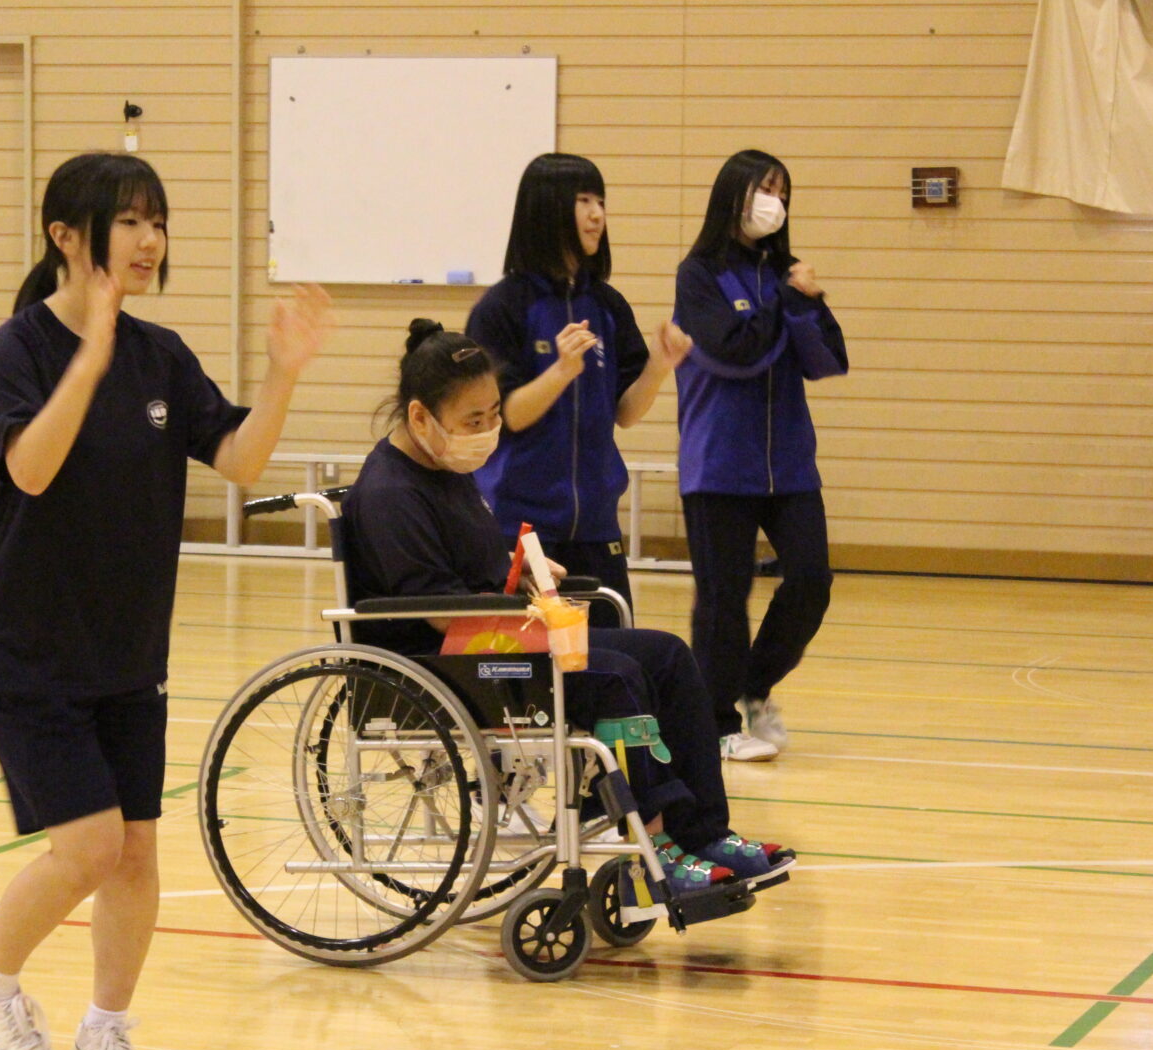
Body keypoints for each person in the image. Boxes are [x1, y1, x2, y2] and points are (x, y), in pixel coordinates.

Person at [0, 152, 331, 1050]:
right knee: (88, 848)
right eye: (129, 221)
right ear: (67, 237)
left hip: (127, 646)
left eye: (158, 220)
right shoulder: (20, 351)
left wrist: (281, 375)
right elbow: (29, 470)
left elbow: (238, 460)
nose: (151, 240)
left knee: (138, 852)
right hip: (25, 644)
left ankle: (106, 1033)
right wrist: (90, 358)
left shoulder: (164, 356)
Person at [343, 319, 793, 896]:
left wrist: (520, 568)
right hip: (450, 663)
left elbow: (468, 568)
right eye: (472, 421)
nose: (487, 431)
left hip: (496, 643)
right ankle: (652, 850)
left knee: (669, 655)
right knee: (618, 674)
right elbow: (435, 610)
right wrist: (519, 603)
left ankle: (703, 831)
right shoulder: (389, 493)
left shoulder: (444, 469)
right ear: (420, 417)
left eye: (493, 415)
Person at [465, 153, 692, 626]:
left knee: (612, 659)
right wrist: (561, 372)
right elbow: (508, 414)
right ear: (547, 209)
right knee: (531, 668)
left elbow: (625, 413)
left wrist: (658, 367)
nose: (597, 215)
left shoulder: (607, 306)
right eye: (584, 201)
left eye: (601, 201)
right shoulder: (504, 307)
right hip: (521, 527)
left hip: (596, 526)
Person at [674, 150, 848, 762]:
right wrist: (784, 303)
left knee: (811, 580)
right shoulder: (698, 275)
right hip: (719, 462)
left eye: (782, 190)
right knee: (724, 595)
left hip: (789, 464)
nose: (773, 200)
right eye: (762, 188)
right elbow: (732, 351)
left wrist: (805, 301)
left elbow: (829, 360)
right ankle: (717, 721)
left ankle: (752, 686)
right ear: (733, 195)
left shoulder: (786, 276)